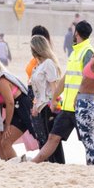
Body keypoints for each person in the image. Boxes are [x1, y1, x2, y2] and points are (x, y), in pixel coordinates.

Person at [32, 21, 94, 166]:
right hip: (68, 107)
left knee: (87, 140)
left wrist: (80, 97)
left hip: (83, 105)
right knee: (53, 137)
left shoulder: (87, 52)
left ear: (76, 33)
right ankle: (34, 163)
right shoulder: (75, 52)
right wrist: (53, 99)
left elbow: (89, 78)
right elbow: (66, 78)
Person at [0, 48, 31, 160]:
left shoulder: (1, 80)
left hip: (22, 109)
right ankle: (8, 165)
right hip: (14, 110)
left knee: (5, 141)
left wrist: (7, 125)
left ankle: (16, 167)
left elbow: (10, 102)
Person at [28, 35, 64, 165]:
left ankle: (58, 164)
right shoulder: (37, 66)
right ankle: (49, 163)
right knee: (44, 138)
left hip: (49, 106)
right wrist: (35, 106)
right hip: (41, 107)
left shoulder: (48, 64)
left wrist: (54, 104)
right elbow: (37, 91)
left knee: (52, 139)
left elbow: (54, 86)